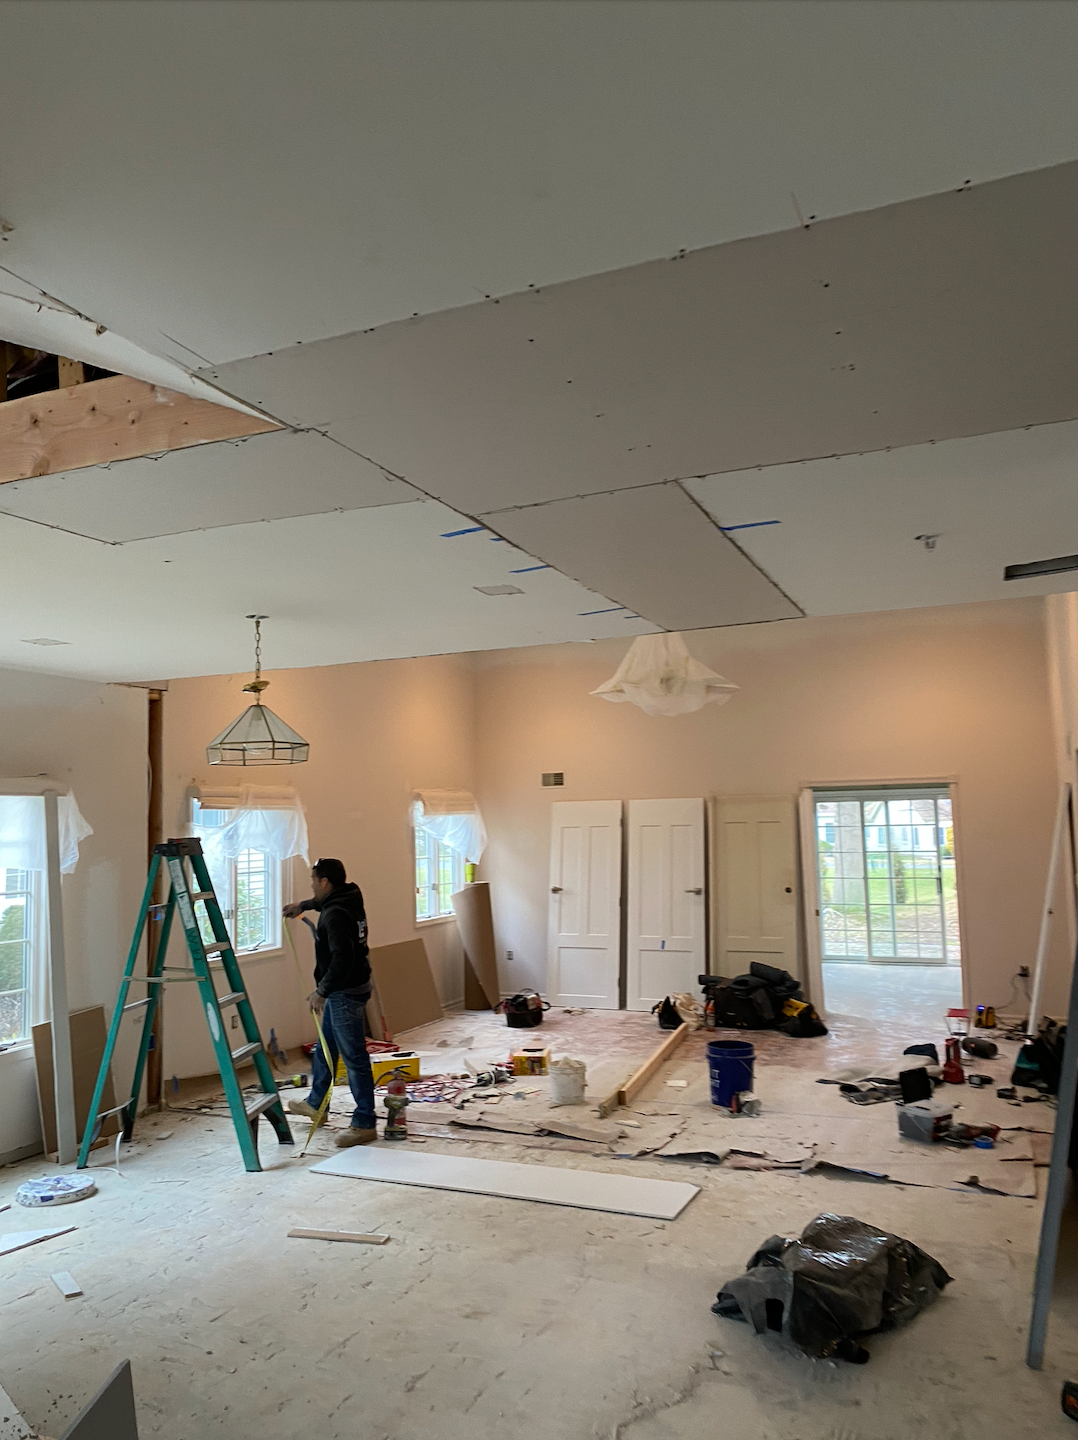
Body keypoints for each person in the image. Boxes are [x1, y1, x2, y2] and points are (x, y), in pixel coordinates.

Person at [282, 858, 377, 1147]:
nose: (312, 884)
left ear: (325, 882)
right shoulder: (349, 896)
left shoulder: (335, 914)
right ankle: (317, 1105)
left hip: (344, 993)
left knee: (354, 1058)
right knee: (325, 1050)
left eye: (314, 880)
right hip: (351, 988)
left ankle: (364, 1123)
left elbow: (343, 959)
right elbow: (326, 904)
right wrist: (304, 905)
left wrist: (321, 991)